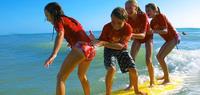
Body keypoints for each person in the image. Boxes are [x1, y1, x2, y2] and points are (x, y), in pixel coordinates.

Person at [43, 2, 96, 95]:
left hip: (81, 47)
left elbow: (60, 34)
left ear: (53, 14)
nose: (46, 19)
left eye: (47, 15)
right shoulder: (70, 19)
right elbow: (78, 32)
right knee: (81, 75)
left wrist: (53, 54)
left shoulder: (58, 20)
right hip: (91, 48)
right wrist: (72, 42)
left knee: (60, 78)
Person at [93, 7, 146, 95]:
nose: (115, 25)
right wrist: (93, 40)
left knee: (133, 69)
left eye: (119, 23)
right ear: (110, 18)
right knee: (111, 69)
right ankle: (108, 93)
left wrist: (103, 43)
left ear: (125, 21)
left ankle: (137, 91)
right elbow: (101, 40)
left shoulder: (128, 28)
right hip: (109, 50)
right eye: (113, 22)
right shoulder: (106, 27)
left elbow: (120, 46)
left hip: (121, 49)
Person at [145, 3, 180, 84]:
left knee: (161, 57)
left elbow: (165, 31)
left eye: (149, 10)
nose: (147, 12)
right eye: (146, 11)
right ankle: (165, 76)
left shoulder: (161, 16)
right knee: (158, 56)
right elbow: (149, 33)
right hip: (168, 40)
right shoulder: (152, 22)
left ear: (155, 10)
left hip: (174, 37)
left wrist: (153, 31)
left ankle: (167, 79)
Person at [125, 0, 155, 88]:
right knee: (131, 61)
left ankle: (152, 82)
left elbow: (143, 35)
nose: (128, 10)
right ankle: (131, 84)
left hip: (147, 37)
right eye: (126, 8)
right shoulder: (127, 18)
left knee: (148, 60)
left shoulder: (143, 16)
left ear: (136, 8)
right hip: (137, 38)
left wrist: (130, 35)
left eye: (130, 7)